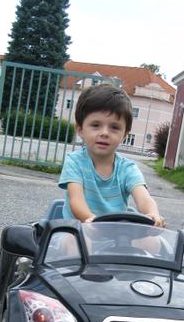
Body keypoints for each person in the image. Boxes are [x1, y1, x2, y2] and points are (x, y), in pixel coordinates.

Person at [58, 83, 165, 227]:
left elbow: (144, 198)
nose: (105, 133)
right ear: (80, 129)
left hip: (115, 233)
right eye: (96, 125)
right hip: (78, 229)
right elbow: (76, 201)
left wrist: (152, 213)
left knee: (152, 239)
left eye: (114, 127)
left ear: (125, 135)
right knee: (67, 239)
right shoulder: (75, 162)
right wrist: (90, 219)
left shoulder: (128, 169)